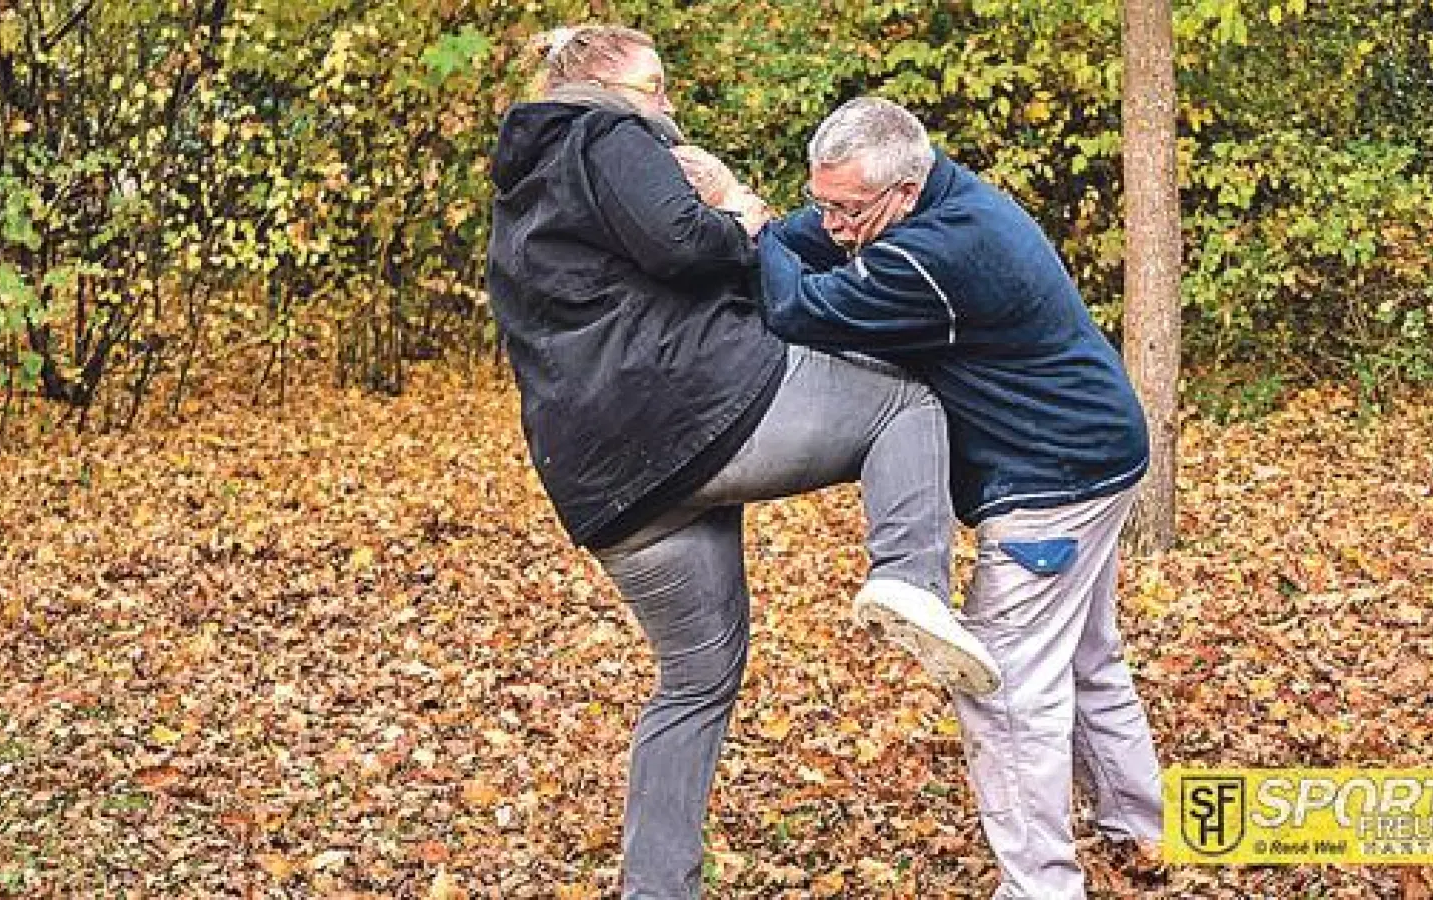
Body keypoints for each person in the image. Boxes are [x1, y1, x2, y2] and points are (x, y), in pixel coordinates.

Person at [484, 28, 1001, 897]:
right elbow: (685, 243)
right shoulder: (609, 134)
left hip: (607, 479)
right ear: (603, 86)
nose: (668, 105)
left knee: (694, 678)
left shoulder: (526, 188)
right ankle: (911, 574)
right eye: (655, 86)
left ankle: (655, 888)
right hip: (692, 408)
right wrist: (745, 225)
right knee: (905, 403)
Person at [754, 96, 1165, 899]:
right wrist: (774, 226)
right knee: (1085, 657)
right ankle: (1141, 828)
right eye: (821, 201)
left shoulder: (939, 255)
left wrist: (750, 228)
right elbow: (804, 243)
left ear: (904, 193)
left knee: (1003, 684)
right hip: (1097, 451)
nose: (831, 225)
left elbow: (795, 309)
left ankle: (1041, 886)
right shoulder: (936, 198)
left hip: (1053, 480)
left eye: (846, 209)